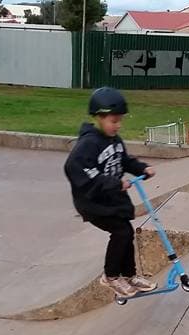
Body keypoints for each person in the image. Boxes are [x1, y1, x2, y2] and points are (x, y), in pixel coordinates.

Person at [64, 87, 158, 299]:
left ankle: (130, 275)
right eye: (113, 121)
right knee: (121, 232)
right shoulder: (88, 144)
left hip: (113, 200)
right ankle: (111, 276)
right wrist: (114, 184)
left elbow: (124, 160)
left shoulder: (114, 140)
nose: (118, 125)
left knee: (126, 232)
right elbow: (77, 170)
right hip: (94, 202)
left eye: (120, 121)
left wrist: (142, 168)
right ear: (98, 117)